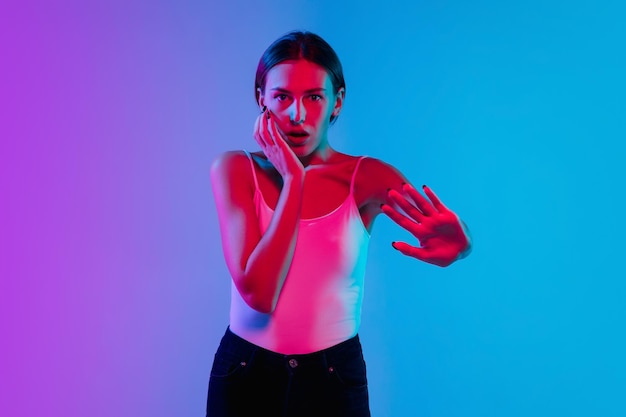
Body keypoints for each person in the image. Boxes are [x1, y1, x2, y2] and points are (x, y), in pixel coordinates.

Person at [207, 30, 472, 417]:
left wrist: (462, 246)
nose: (297, 115)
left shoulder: (365, 177)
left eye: (314, 97)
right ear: (261, 99)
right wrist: (295, 181)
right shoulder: (234, 170)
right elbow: (259, 294)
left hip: (331, 375)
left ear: (336, 102)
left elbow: (443, 230)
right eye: (282, 97)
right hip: (246, 372)